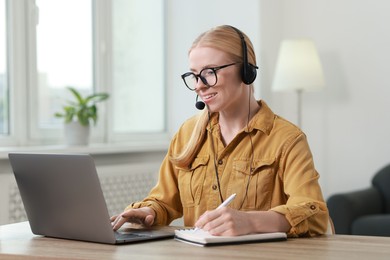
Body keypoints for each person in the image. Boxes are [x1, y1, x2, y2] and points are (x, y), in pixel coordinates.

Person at [111, 25, 329, 237]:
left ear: (246, 71)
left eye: (209, 72)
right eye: (195, 75)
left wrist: (251, 222)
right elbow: (164, 201)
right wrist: (148, 212)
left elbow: (314, 215)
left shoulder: (286, 139)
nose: (199, 85)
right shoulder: (187, 134)